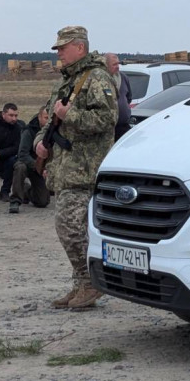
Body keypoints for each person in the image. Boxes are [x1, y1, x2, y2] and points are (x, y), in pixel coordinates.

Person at [34, 26, 117, 309]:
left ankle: (91, 283)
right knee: (74, 228)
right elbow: (47, 123)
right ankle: (81, 284)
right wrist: (39, 145)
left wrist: (70, 115)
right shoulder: (66, 81)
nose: (59, 53)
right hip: (65, 167)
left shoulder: (96, 78)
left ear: (79, 48)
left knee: (69, 228)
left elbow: (107, 120)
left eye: (63, 47)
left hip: (85, 167)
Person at [9, 107, 51, 214]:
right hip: (28, 163)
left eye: (50, 118)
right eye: (46, 117)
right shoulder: (28, 131)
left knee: (42, 202)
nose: (48, 120)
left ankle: (26, 190)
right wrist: (39, 167)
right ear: (39, 117)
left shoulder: (53, 131)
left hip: (43, 167)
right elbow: (22, 154)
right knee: (20, 167)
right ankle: (15, 200)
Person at [105, 53, 132, 140]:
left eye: (118, 63)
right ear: (106, 65)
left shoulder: (123, 77)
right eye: (114, 64)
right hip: (109, 128)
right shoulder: (102, 80)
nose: (117, 66)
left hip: (123, 126)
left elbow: (128, 97)